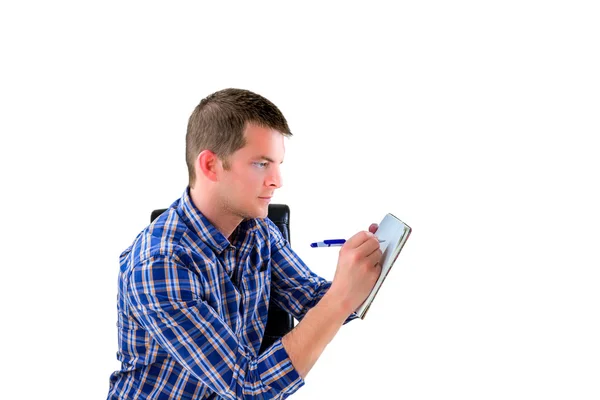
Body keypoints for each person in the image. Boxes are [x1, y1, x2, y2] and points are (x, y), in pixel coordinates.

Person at [107, 88, 383, 399]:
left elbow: (314, 301)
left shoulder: (257, 229)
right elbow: (247, 388)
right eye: (262, 164)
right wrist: (341, 298)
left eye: (278, 164)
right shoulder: (159, 264)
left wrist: (372, 263)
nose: (278, 180)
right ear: (211, 165)